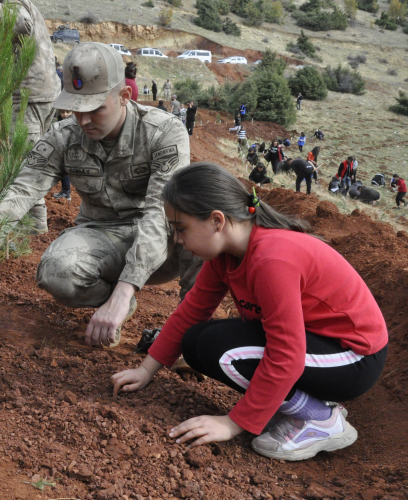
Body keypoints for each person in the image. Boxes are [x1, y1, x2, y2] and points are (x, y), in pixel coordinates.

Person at [112, 162, 388, 461]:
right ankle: (297, 405)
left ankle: (321, 419)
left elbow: (286, 353)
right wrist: (145, 369)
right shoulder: (226, 255)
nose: (178, 239)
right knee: (196, 342)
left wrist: (233, 424)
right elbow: (192, 311)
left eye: (181, 228)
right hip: (318, 345)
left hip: (353, 357)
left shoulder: (272, 260)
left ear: (217, 221)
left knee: (225, 351)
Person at [0, 43, 203, 348]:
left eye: (94, 109)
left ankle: (191, 337)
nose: (83, 120)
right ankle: (116, 302)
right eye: (76, 108)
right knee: (56, 273)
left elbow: (157, 213)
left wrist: (124, 289)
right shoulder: (63, 136)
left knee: (203, 227)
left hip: (163, 244)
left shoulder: (163, 132)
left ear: (124, 97)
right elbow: (22, 190)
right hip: (103, 235)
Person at [0, 0, 62, 235]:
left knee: (27, 158)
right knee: (34, 154)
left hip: (30, 93)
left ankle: (34, 224)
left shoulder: (12, 3)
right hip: (43, 90)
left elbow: (23, 26)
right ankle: (33, 220)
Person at [52, 109, 74, 202]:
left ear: (72, 112)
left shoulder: (74, 123)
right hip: (64, 149)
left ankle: (66, 193)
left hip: (70, 150)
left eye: (67, 112)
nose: (65, 114)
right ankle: (65, 192)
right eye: (62, 112)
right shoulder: (60, 123)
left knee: (64, 170)